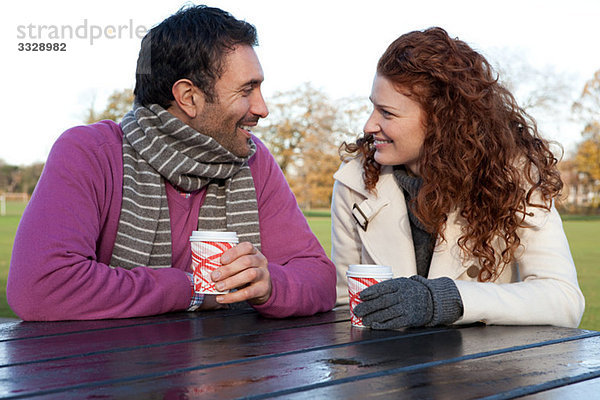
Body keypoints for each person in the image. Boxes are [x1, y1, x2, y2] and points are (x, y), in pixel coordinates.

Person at [7, 5, 336, 321]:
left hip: (229, 372)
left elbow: (319, 278)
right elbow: (41, 286)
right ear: (189, 97)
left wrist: (268, 285)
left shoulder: (253, 160)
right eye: (247, 90)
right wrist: (190, 290)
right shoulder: (90, 153)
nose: (263, 108)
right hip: (109, 374)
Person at [332, 27, 584, 329]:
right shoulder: (354, 181)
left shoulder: (514, 175)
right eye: (373, 106)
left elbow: (564, 299)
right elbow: (344, 308)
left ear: (441, 121)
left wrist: (445, 299)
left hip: (482, 369)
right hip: (383, 371)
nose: (369, 124)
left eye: (387, 113)